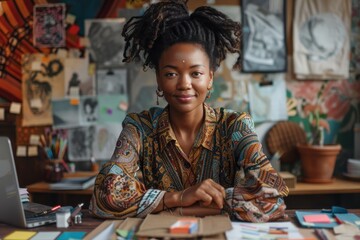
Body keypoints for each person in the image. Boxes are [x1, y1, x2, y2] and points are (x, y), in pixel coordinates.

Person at [89, 0, 289, 222]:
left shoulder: (235, 126)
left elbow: (273, 197)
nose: (184, 84)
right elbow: (103, 196)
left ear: (210, 77)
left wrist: (177, 209)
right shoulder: (140, 128)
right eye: (171, 74)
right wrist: (177, 198)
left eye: (196, 73)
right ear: (159, 79)